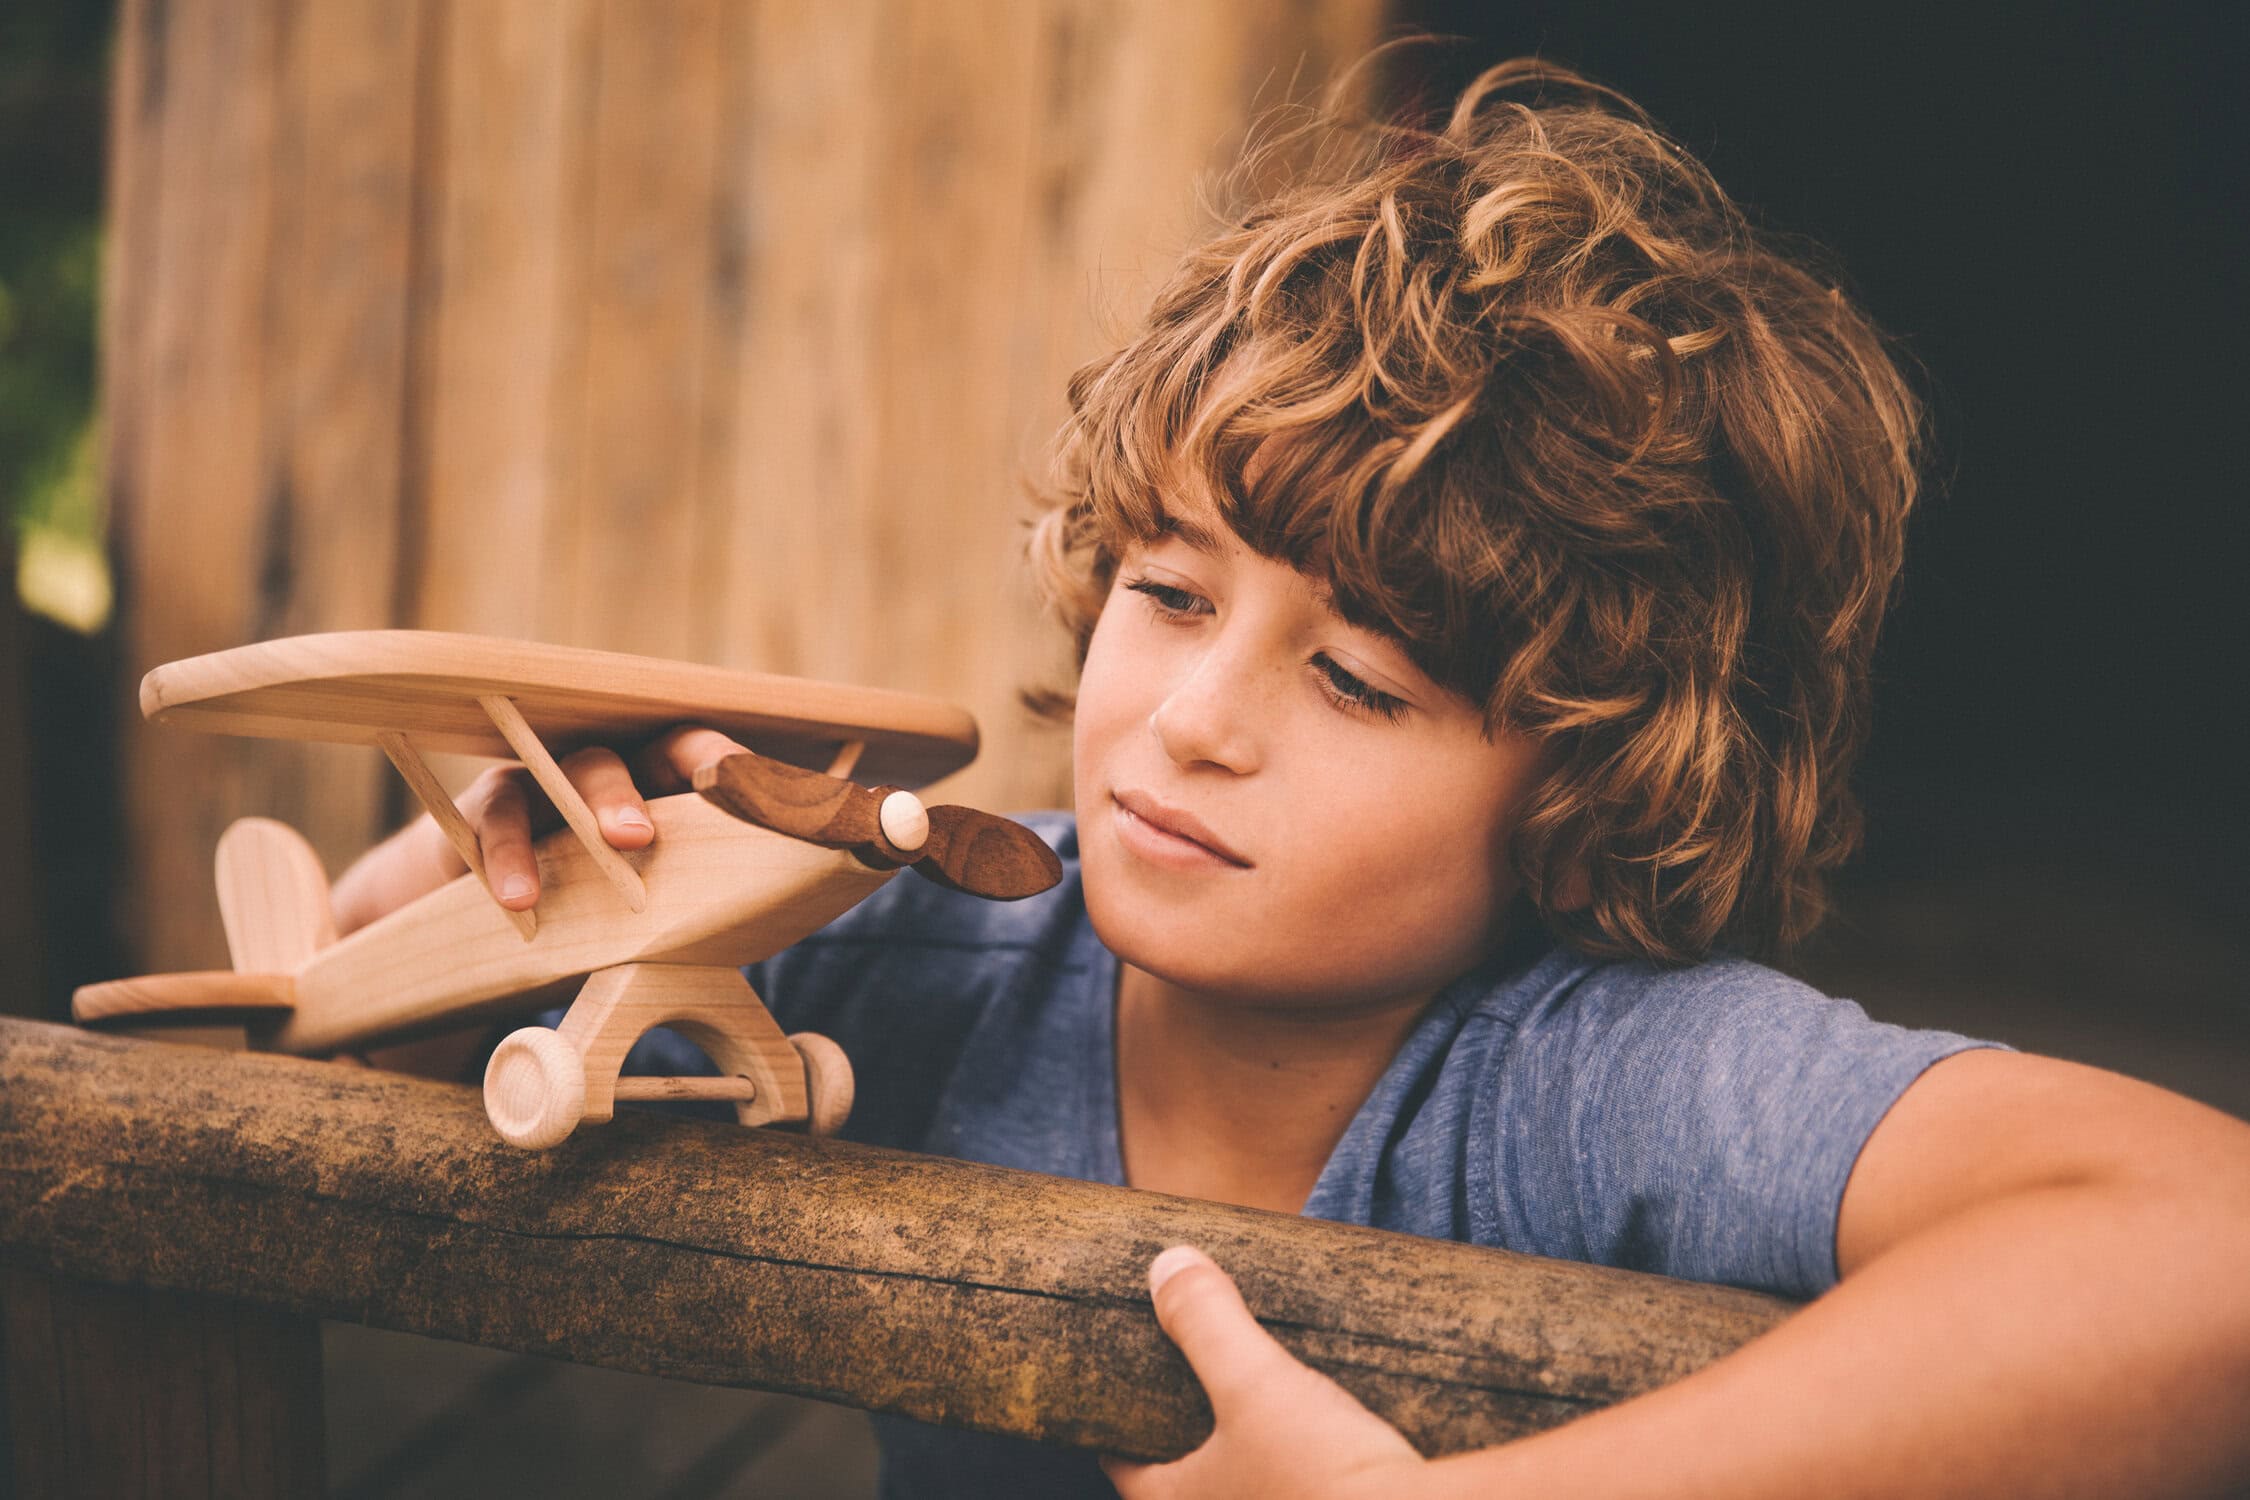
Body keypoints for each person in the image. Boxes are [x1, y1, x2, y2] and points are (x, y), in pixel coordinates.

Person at [330, 57, 2250, 1500]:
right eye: (1167, 592)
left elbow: (2205, 1250)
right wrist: (510, 852)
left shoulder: (1582, 1086)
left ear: (1589, 785)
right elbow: (337, 1036)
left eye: (1358, 681)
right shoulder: (919, 943)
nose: (1189, 718)